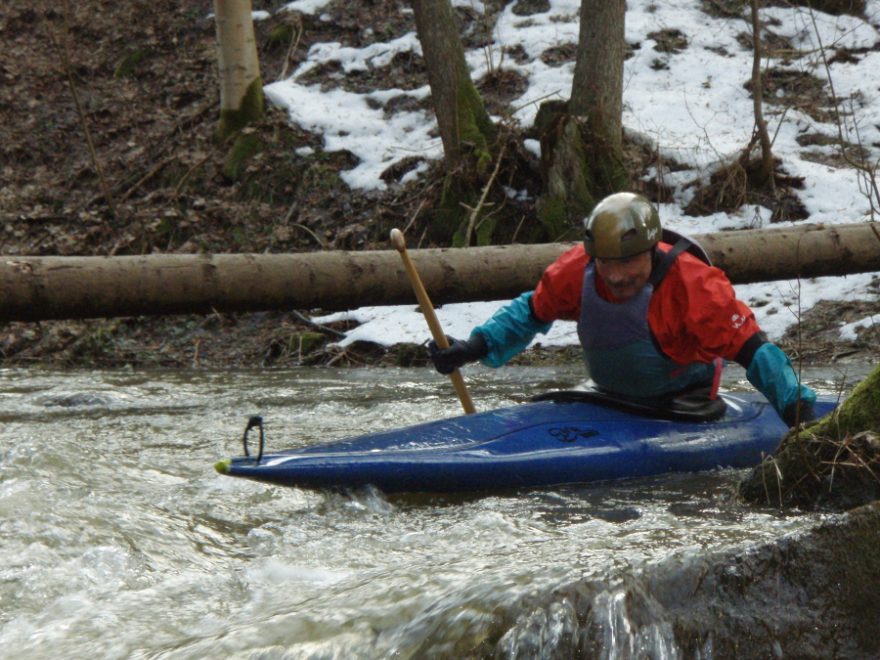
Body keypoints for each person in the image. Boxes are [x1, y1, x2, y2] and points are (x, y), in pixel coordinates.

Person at [428, 192, 816, 426]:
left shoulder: (693, 285)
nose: (614, 276)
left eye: (627, 263)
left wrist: (792, 403)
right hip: (605, 396)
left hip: (681, 406)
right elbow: (532, 310)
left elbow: (752, 347)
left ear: (650, 250)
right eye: (605, 263)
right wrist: (475, 347)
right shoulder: (578, 268)